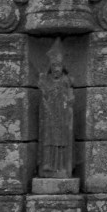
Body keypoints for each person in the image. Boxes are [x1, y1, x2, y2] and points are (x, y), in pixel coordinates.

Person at [38, 42, 74, 177]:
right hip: (49, 115)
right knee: (48, 139)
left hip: (62, 115)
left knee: (61, 142)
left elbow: (70, 97)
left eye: (59, 66)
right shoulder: (46, 81)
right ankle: (47, 165)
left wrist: (69, 102)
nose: (56, 69)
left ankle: (61, 167)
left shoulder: (66, 81)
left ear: (62, 67)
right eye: (54, 66)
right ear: (50, 67)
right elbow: (44, 96)